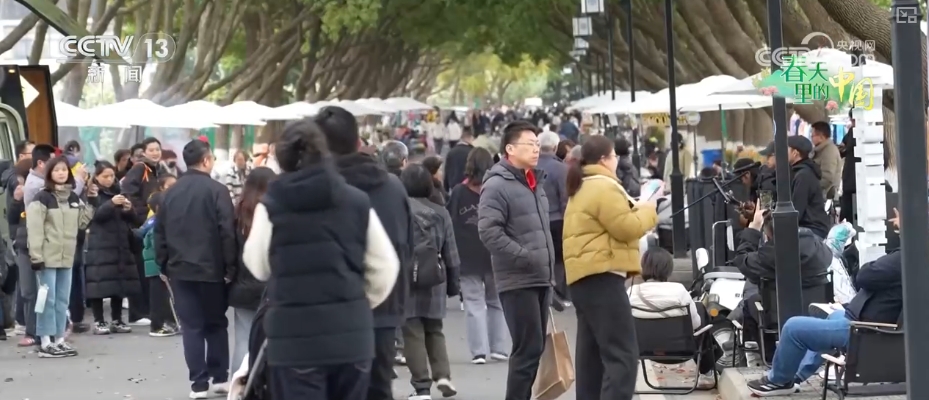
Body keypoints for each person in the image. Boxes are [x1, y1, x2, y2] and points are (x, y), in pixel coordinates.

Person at [242, 118, 399, 400]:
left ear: (282, 158)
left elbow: (257, 265)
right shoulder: (356, 200)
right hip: (351, 337)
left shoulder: (272, 205)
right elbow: (385, 266)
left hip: (293, 341)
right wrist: (357, 302)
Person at [746, 214, 904, 396]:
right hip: (861, 321)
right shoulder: (916, 258)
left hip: (862, 330)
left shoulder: (904, 259)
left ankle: (778, 381)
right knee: (830, 316)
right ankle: (797, 376)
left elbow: (864, 275)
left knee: (793, 327)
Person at [318, 106, 411, 400]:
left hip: (326, 313)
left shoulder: (310, 189)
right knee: (378, 389)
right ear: (359, 142)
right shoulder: (393, 187)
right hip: (385, 308)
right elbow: (406, 245)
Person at [562, 135, 658, 400]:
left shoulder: (583, 185)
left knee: (591, 358)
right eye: (614, 156)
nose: (616, 160)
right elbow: (626, 227)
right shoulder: (603, 186)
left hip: (583, 277)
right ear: (604, 159)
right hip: (602, 276)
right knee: (622, 355)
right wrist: (649, 209)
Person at [477, 120, 556, 400]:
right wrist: (525, 256)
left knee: (534, 348)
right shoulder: (497, 185)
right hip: (517, 279)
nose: (536, 150)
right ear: (510, 149)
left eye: (537, 144)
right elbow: (488, 231)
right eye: (529, 144)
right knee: (527, 350)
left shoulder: (534, 182)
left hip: (540, 278)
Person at [154, 139, 236, 398]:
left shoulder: (170, 193)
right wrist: (230, 266)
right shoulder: (218, 190)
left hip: (179, 269)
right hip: (212, 268)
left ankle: (198, 383)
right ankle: (220, 376)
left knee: (191, 327)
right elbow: (227, 231)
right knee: (216, 323)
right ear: (206, 160)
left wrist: (163, 263)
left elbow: (159, 232)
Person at [732, 206, 832, 361]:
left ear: (769, 234)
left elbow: (742, 260)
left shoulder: (769, 256)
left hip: (778, 316)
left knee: (750, 302)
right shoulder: (819, 249)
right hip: (816, 311)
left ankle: (769, 356)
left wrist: (753, 230)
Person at [399, 164, 461, 400]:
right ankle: (443, 375)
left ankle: (421, 387)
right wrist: (453, 284)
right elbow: (451, 252)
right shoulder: (441, 212)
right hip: (435, 277)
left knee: (412, 331)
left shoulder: (399, 212)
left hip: (406, 278)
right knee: (435, 329)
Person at [27, 156, 95, 357]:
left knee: (62, 301)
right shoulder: (42, 198)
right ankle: (45, 341)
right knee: (47, 300)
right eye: (56, 170)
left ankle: (59, 339)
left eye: (64, 169)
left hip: (67, 257)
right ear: (49, 173)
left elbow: (82, 223)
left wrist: (91, 200)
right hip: (46, 258)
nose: (61, 173)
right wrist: (36, 256)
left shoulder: (73, 197)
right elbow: (35, 229)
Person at [448, 148, 511, 365]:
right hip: (495, 252)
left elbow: (451, 221)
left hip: (467, 254)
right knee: (497, 302)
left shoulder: (459, 192)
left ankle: (479, 352)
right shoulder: (499, 189)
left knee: (474, 303)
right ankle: (499, 348)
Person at [628, 247, 718, 387]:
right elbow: (696, 325)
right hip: (681, 349)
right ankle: (707, 372)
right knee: (700, 308)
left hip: (643, 349)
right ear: (668, 268)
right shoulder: (679, 290)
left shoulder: (632, 292)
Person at [84, 161, 141, 335]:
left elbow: (134, 220)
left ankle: (117, 319)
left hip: (120, 243)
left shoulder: (120, 191)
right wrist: (111, 204)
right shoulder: (92, 193)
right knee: (98, 284)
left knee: (119, 283)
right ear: (97, 177)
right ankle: (99, 320)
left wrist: (129, 209)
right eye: (105, 176)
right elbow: (95, 216)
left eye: (111, 176)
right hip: (99, 244)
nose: (109, 179)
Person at [228, 167, 274, 372]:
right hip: (270, 285)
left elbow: (230, 248)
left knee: (243, 339)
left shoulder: (238, 212)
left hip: (243, 285)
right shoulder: (275, 210)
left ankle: (238, 382)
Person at [122, 137, 164, 325]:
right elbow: (128, 192)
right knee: (140, 268)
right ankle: (137, 312)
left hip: (152, 224)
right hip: (142, 225)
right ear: (144, 152)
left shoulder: (157, 170)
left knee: (148, 267)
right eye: (151, 150)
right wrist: (142, 213)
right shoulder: (140, 169)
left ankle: (147, 310)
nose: (155, 153)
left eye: (157, 149)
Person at [140, 175, 180, 338]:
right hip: (156, 267)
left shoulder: (151, 222)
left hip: (154, 266)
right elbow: (157, 247)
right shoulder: (157, 224)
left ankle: (167, 323)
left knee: (162, 297)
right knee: (159, 298)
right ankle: (157, 326)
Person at [536, 131, 570, 308]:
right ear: (556, 147)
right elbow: (565, 197)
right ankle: (557, 292)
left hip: (535, 218)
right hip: (556, 219)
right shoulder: (561, 168)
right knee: (558, 258)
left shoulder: (529, 166)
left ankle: (543, 290)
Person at [785, 136, 832, 238]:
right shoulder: (801, 172)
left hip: (813, 229)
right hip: (812, 227)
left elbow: (797, 209)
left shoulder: (803, 175)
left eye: (786, 149)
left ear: (795, 153)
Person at [810, 121, 842, 201]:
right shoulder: (820, 150)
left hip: (825, 196)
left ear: (821, 137)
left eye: (813, 135)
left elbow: (827, 177)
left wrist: (811, 188)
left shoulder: (829, 151)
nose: (811, 138)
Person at [442, 127, 475, 192]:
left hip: (453, 186)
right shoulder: (472, 152)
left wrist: (446, 188)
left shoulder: (451, 152)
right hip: (468, 187)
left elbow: (447, 170)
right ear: (470, 138)